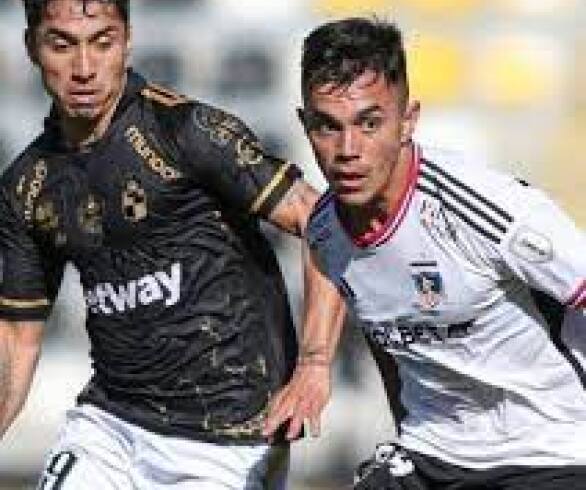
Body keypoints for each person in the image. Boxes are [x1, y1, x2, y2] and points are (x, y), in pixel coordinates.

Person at [0, 1, 340, 488]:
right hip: (110, 425)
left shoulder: (187, 131)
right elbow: (17, 337)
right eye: (62, 45)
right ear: (32, 48)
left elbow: (319, 219)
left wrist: (315, 364)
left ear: (127, 41)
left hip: (228, 436)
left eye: (102, 42)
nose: (84, 68)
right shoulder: (27, 185)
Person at [265, 17, 586, 489]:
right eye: (327, 127)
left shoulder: (488, 210)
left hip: (551, 451)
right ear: (304, 125)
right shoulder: (327, 229)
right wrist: (315, 362)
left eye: (369, 123)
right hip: (433, 452)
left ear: (408, 120)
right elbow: (388, 339)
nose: (347, 149)